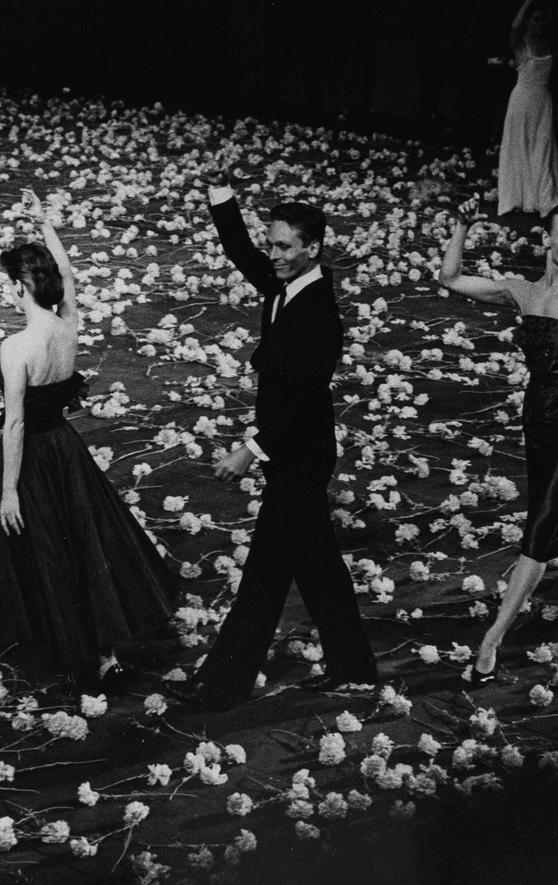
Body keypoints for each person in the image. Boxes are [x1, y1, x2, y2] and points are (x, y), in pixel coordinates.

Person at [0, 190, 178, 691]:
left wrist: (9, 489)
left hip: (29, 454)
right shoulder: (68, 327)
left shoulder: (16, 347)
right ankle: (102, 651)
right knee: (81, 543)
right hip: (67, 450)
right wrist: (46, 222)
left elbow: (14, 425)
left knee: (5, 535)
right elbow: (70, 277)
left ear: (17, 288)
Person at [168, 170, 377, 710]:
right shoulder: (288, 283)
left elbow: (303, 399)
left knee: (264, 570)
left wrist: (249, 448)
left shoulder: (319, 316)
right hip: (291, 451)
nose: (274, 254)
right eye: (273, 244)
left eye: (285, 246)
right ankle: (353, 667)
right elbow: (240, 249)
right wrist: (221, 195)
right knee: (316, 563)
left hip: (300, 455)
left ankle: (223, 684)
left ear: (313, 249)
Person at [439, 198, 558, 687]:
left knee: (540, 534)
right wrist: (462, 225)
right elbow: (450, 278)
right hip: (537, 425)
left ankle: (492, 640)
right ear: (546, 240)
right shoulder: (521, 292)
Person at [495, 0, 558, 217]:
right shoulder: (520, 43)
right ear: (528, 21)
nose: (540, 23)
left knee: (542, 148)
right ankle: (519, 197)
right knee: (520, 145)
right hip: (523, 99)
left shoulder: (545, 43)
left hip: (543, 100)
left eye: (542, 19)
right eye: (535, 19)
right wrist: (527, 2)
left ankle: (541, 197)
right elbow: (514, 27)